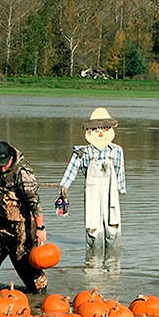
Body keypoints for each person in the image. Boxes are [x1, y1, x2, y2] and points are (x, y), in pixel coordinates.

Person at [0, 140, 48, 291]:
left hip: (20, 230)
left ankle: (39, 299)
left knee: (34, 282)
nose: (1, 167)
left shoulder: (23, 172)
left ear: (11, 158)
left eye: (4, 164)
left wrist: (40, 228)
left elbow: (34, 202)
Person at [58, 108, 126, 254]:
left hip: (111, 193)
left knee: (112, 224)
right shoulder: (83, 152)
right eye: (96, 129)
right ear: (90, 130)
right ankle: (93, 263)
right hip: (92, 193)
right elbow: (71, 170)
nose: (100, 132)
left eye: (105, 128)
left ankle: (113, 261)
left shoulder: (117, 150)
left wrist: (120, 189)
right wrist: (63, 189)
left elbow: (120, 171)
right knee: (93, 226)